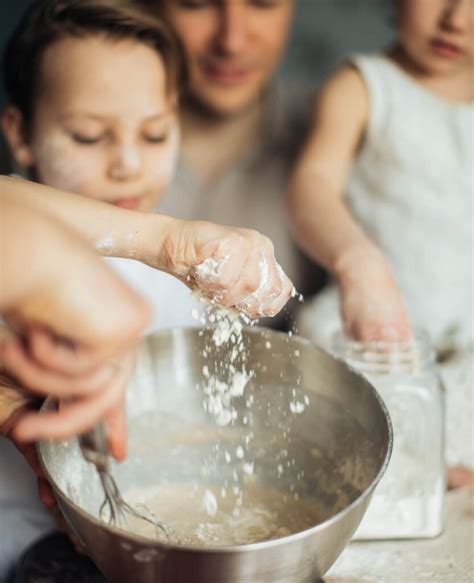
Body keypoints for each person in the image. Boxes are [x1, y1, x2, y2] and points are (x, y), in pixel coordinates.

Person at [285, 0, 473, 481]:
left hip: (468, 339)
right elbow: (312, 187)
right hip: (376, 325)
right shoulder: (362, 86)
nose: (456, 19)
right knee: (334, 378)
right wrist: (357, 261)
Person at [136, 0, 324, 325]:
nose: (232, 42)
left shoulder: (331, 142)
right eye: (196, 4)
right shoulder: (73, 140)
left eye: (262, 3)